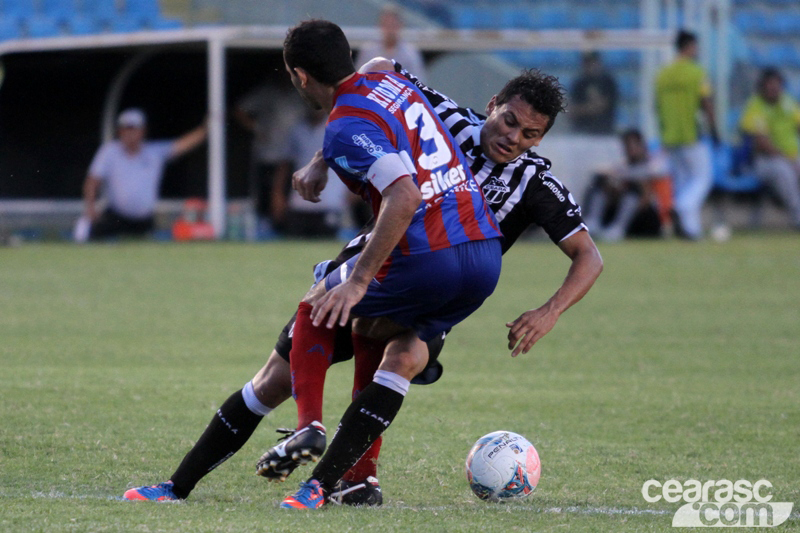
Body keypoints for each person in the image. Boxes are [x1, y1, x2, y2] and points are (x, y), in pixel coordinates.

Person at [121, 58, 603, 506]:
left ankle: (332, 475)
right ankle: (186, 486)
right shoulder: (444, 115)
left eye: (530, 134)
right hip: (385, 258)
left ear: (541, 139)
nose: (513, 138)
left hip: (438, 283)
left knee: (404, 353)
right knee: (274, 379)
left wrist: (549, 311)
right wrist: (322, 158)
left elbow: (589, 256)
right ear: (493, 104)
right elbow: (376, 76)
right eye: (509, 122)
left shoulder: (535, 183)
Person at [78, 109, 207, 241]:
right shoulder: (110, 152)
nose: (129, 133)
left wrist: (205, 129)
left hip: (144, 220)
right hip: (116, 216)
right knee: (87, 232)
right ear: (119, 131)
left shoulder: (154, 152)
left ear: (143, 131)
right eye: (126, 128)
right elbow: (92, 181)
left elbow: (183, 145)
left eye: (133, 129)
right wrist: (90, 207)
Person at [655, 30, 718, 240]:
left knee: (683, 181)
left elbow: (657, 107)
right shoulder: (697, 73)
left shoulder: (663, 75)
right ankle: (680, 207)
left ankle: (690, 230)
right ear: (690, 46)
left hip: (670, 136)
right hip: (691, 134)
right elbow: (706, 102)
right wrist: (715, 130)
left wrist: (664, 134)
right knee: (702, 178)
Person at [234, 80, 304, 236]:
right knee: (266, 195)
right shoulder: (267, 92)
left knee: (290, 194)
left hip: (294, 157)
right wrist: (258, 129)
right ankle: (265, 230)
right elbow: (240, 110)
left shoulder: (301, 93)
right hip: (268, 155)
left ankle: (286, 228)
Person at [270, 108, 351, 238]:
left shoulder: (338, 128)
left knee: (328, 244)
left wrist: (356, 191)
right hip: (299, 201)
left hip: (331, 201)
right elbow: (284, 164)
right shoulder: (296, 129)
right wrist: (278, 195)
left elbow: (353, 160)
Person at [738, 67, 800, 229]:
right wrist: (789, 160)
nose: (774, 89)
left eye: (777, 86)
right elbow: (761, 142)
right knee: (784, 172)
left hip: (792, 157)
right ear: (762, 87)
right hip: (765, 161)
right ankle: (798, 218)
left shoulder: (788, 102)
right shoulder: (755, 106)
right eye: (770, 86)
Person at [583, 129, 672, 241]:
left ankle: (618, 229)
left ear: (642, 145)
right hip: (630, 212)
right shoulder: (624, 167)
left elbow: (648, 188)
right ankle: (593, 222)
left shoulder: (655, 166)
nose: (631, 150)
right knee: (600, 181)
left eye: (633, 145)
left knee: (633, 188)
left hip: (650, 217)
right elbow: (602, 171)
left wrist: (623, 179)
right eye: (627, 146)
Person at [354, 5, 426, 82]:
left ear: (400, 26)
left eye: (393, 25)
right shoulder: (368, 51)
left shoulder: (410, 53)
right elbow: (359, 78)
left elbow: (418, 82)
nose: (390, 30)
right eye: (386, 25)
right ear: (380, 25)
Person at [569, 51, 618, 135]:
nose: (590, 66)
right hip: (581, 132)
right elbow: (571, 110)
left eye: (593, 62)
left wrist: (583, 109)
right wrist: (590, 107)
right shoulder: (579, 83)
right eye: (587, 63)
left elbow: (603, 106)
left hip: (604, 131)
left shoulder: (607, 82)